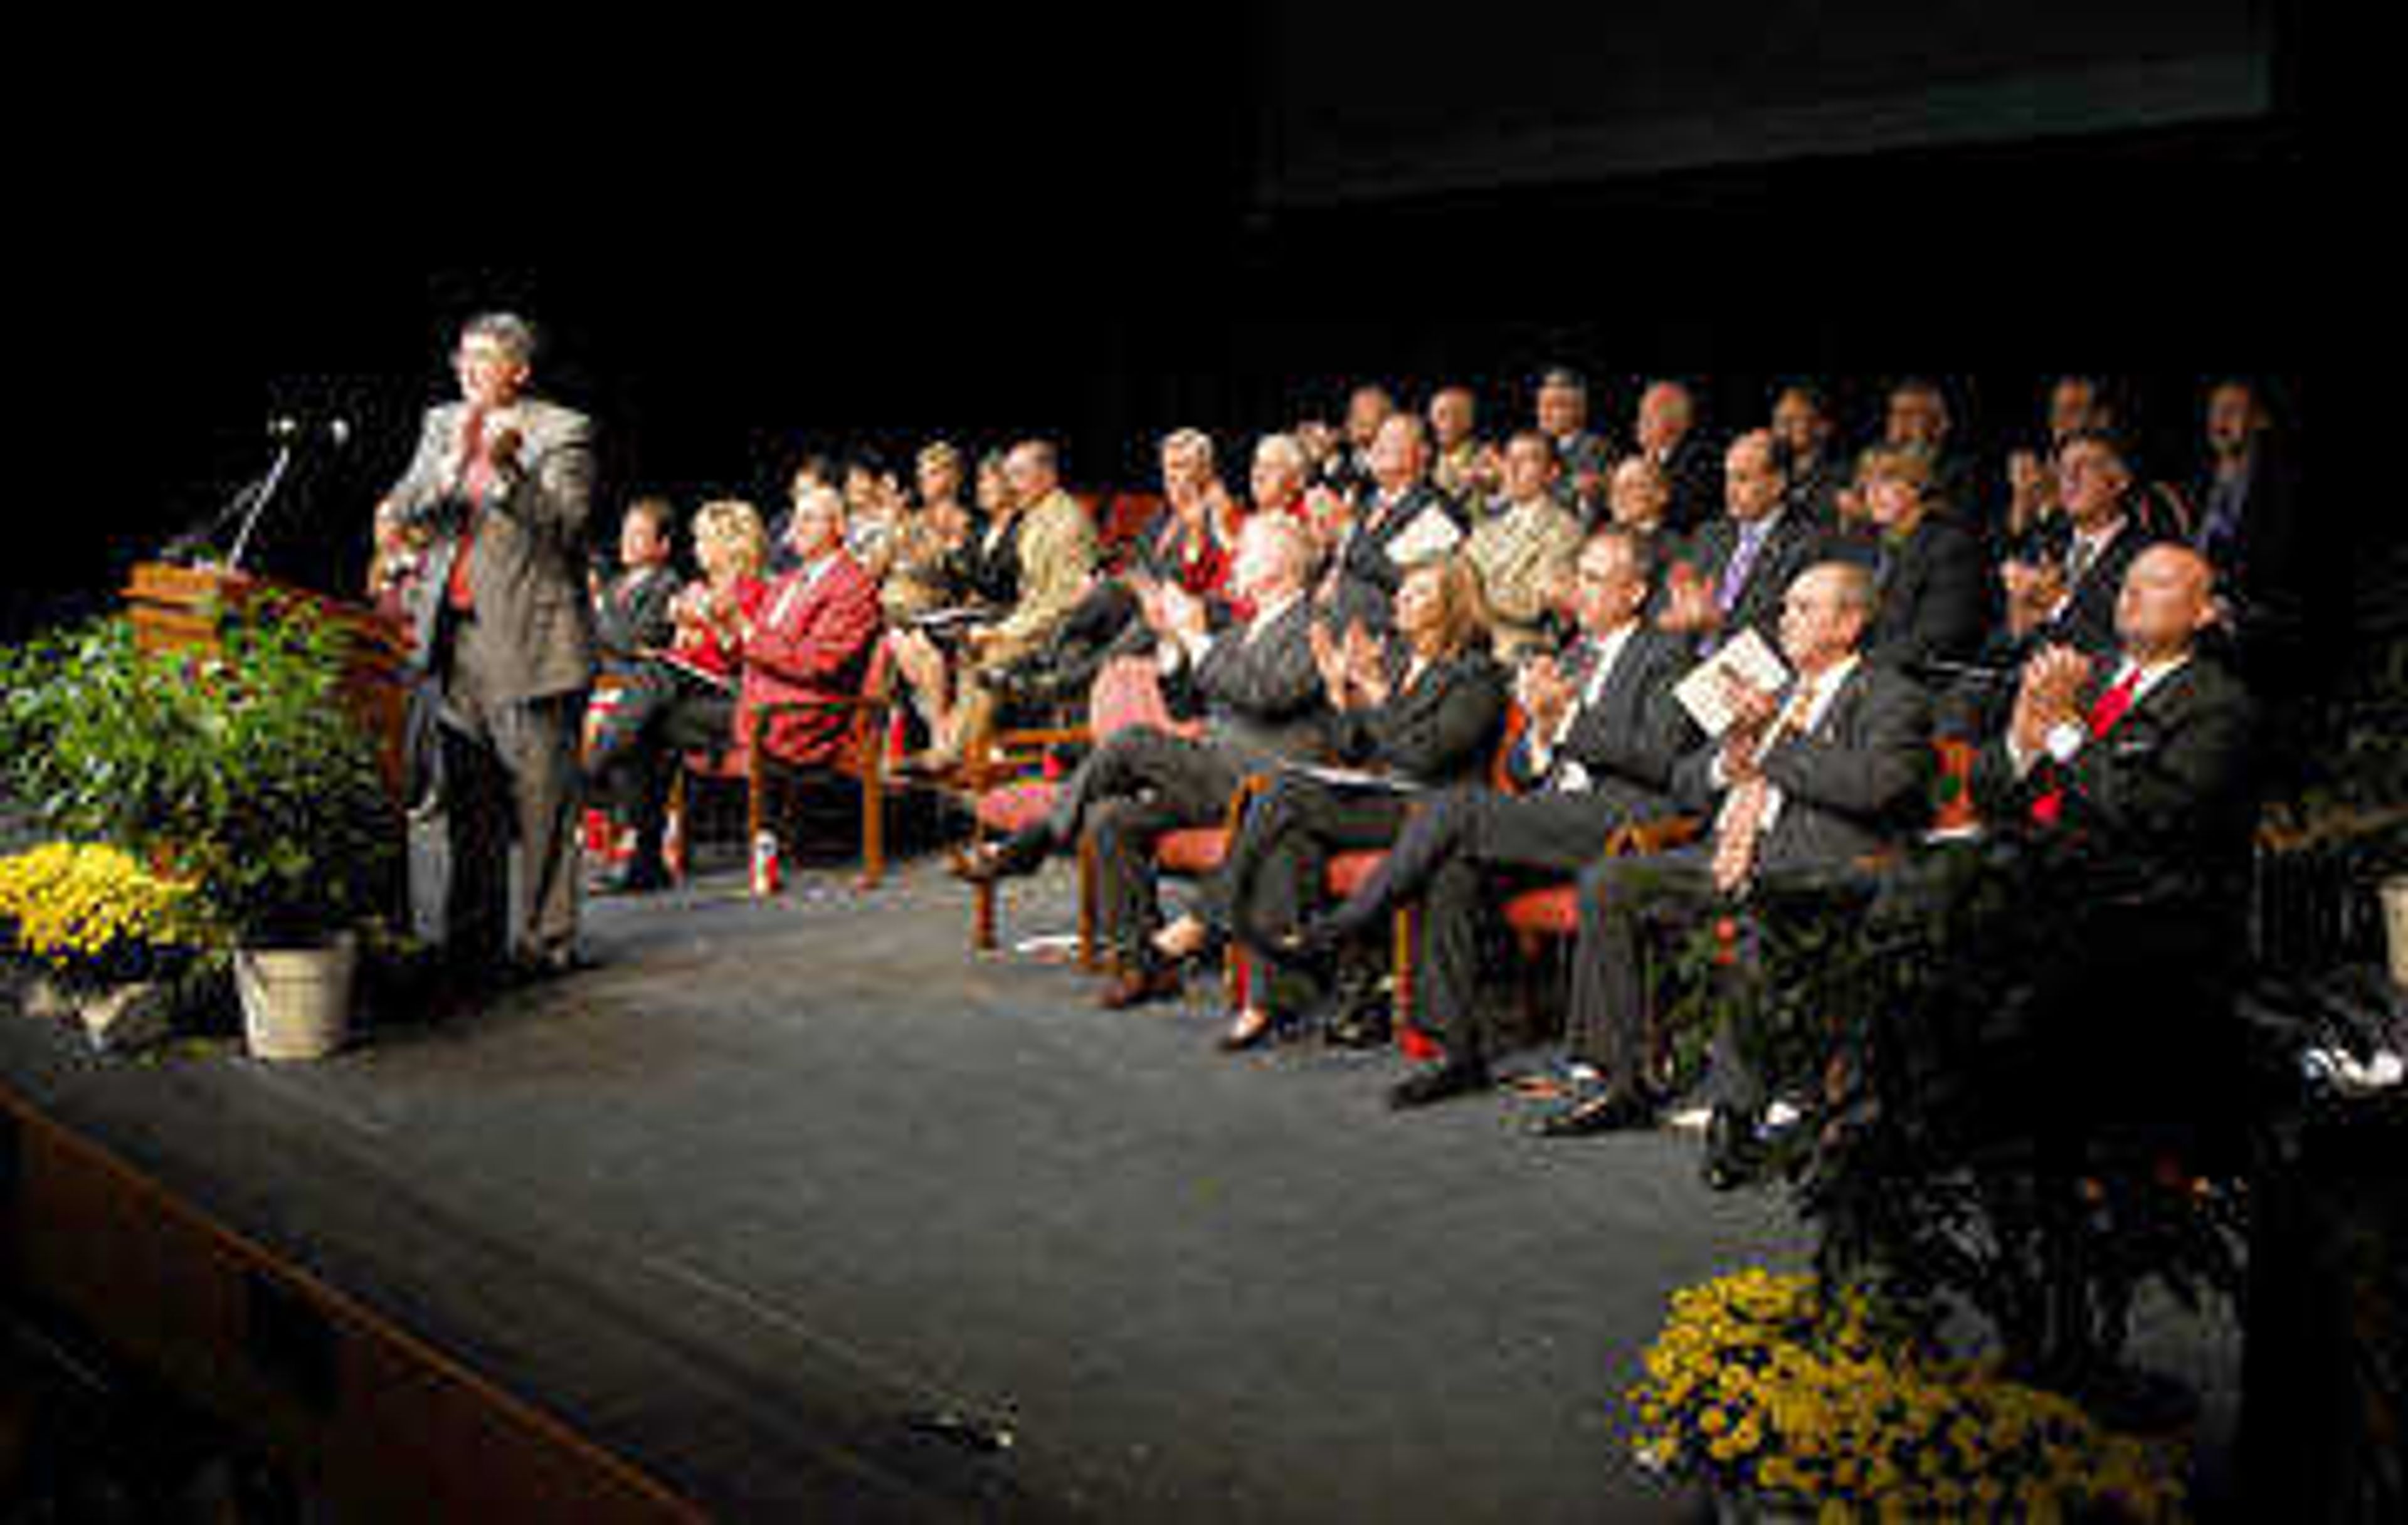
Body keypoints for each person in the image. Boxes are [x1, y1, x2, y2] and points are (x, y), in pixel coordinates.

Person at [1533, 562, 1933, 1169]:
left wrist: (1773, 736)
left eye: (1804, 607)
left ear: (1850, 623)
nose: (1785, 618)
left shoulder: (1888, 694)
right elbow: (1685, 782)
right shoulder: (1768, 687)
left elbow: (1876, 786)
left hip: (1812, 866)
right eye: (1787, 606)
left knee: (1768, 904)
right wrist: (1730, 759)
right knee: (1610, 881)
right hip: (1724, 850)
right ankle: (1619, 1081)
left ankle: (1736, 1111)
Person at [1286, 527, 1702, 1107]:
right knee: (1451, 866)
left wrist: (1569, 720)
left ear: (1634, 593)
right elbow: (1524, 768)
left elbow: (1664, 761)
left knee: (1451, 804)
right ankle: (1457, 1051)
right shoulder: (1571, 653)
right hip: (1550, 812)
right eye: (1577, 575)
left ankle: (1351, 919)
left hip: (1615, 820)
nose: (1576, 591)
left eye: (1593, 579)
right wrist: (1539, 732)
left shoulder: (1667, 655)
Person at [951, 514, 1329, 1008]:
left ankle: (1035, 840)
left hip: (1264, 786)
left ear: (1281, 563)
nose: (1237, 559)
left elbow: (1267, 695)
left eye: (1249, 552)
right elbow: (1187, 709)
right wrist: (1171, 642)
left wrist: (1195, 638)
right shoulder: (1241, 629)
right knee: (1111, 819)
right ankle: (1143, 964)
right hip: (1210, 774)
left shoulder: (1314, 627)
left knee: (1131, 742)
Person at [1965, 544, 2258, 1129]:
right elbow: (1992, 789)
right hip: (2035, 873)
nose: (2132, 593)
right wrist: (2024, 737)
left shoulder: (2218, 703)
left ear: (2204, 613)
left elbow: (2156, 812)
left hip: (2139, 903)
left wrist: (2065, 735)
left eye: (2159, 584)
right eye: (2127, 582)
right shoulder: (2084, 675)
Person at [1196, 554, 1508, 1052]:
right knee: (1288, 842)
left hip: (1432, 814)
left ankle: (1210, 912)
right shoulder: (1398, 662)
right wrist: (1341, 696)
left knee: (1283, 789)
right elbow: (1356, 749)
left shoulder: (1478, 676)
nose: (1402, 599)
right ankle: (1277, 999)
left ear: (1452, 606)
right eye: (1403, 589)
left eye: (1420, 593)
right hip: (1382, 797)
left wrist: (1376, 694)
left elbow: (1424, 756)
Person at [376, 311, 596, 981]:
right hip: (455, 638)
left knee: (541, 801)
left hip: (530, 640)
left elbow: (566, 525)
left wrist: (508, 474)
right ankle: (472, 939)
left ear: (519, 370)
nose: (468, 368)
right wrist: (445, 473)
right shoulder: (441, 422)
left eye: (484, 357)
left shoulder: (563, 429)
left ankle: (545, 940)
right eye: (462, 356)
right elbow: (403, 505)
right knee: (468, 803)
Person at [584, 499, 769, 892]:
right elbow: (680, 648)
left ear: (729, 544)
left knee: (651, 678)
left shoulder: (753, 589)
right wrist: (685, 637)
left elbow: (747, 657)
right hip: (692, 693)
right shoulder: (698, 589)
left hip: (736, 699)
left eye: (703, 539)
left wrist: (715, 626)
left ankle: (589, 773)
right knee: (645, 728)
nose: (696, 548)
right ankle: (645, 862)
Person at [890, 439, 1097, 771]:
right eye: (1010, 476)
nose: (1011, 486)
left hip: (1059, 631)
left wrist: (1004, 630)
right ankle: (957, 749)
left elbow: (1064, 603)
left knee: (990, 654)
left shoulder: (1067, 522)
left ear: (1046, 475)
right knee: (955, 641)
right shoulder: (1037, 516)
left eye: (1018, 476)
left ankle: (952, 754)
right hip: (1028, 620)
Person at [731, 483, 884, 780]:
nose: (796, 528)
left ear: (839, 527)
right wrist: (724, 629)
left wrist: (749, 637)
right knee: (668, 700)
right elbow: (756, 643)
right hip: (757, 700)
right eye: (796, 519)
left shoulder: (853, 585)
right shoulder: (787, 582)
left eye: (809, 519)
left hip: (799, 715)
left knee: (672, 715)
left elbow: (820, 661)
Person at [1997, 432, 2161, 661]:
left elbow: (2125, 649)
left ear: (2120, 480)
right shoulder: (2043, 544)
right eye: (2063, 470)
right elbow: (2004, 643)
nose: (2070, 478)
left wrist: (2058, 605)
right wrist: (2016, 623)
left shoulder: (2147, 558)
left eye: (2084, 466)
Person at [1657, 430, 1824, 656]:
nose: (1730, 490)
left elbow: (1789, 627)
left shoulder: (1805, 545)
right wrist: (1676, 611)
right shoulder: (1710, 535)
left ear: (1777, 484)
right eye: (1728, 477)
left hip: (1755, 670)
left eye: (1743, 479)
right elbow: (1678, 605)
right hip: (1690, 661)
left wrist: (1720, 621)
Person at [1847, 445, 1994, 673]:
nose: (1873, 493)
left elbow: (1938, 636)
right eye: (1868, 484)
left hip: (1917, 679)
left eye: (1887, 482)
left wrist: (1863, 666)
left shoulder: (1950, 547)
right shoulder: (1864, 545)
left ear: (1917, 488)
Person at [1462, 431, 1585, 662]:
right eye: (1509, 459)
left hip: (1518, 650)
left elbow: (1533, 606)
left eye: (1528, 460)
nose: (1513, 468)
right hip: (1470, 640)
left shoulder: (1564, 530)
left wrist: (1474, 591)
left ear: (1551, 474)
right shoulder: (1488, 525)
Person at [1632, 379, 1719, 536]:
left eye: (1650, 415)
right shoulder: (1637, 460)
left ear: (1680, 422)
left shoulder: (1700, 462)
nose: (1641, 423)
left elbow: (1684, 513)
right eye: (1641, 414)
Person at [1536, 366, 1616, 519]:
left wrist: (1549, 485)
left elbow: (1589, 500)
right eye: (1542, 405)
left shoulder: (1595, 448)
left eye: (1555, 406)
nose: (1544, 413)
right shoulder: (1537, 446)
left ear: (1578, 410)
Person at [1769, 383, 1849, 530]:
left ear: (1823, 427)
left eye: (1793, 419)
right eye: (1779, 419)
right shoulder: (1770, 474)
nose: (1783, 428)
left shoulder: (1842, 478)